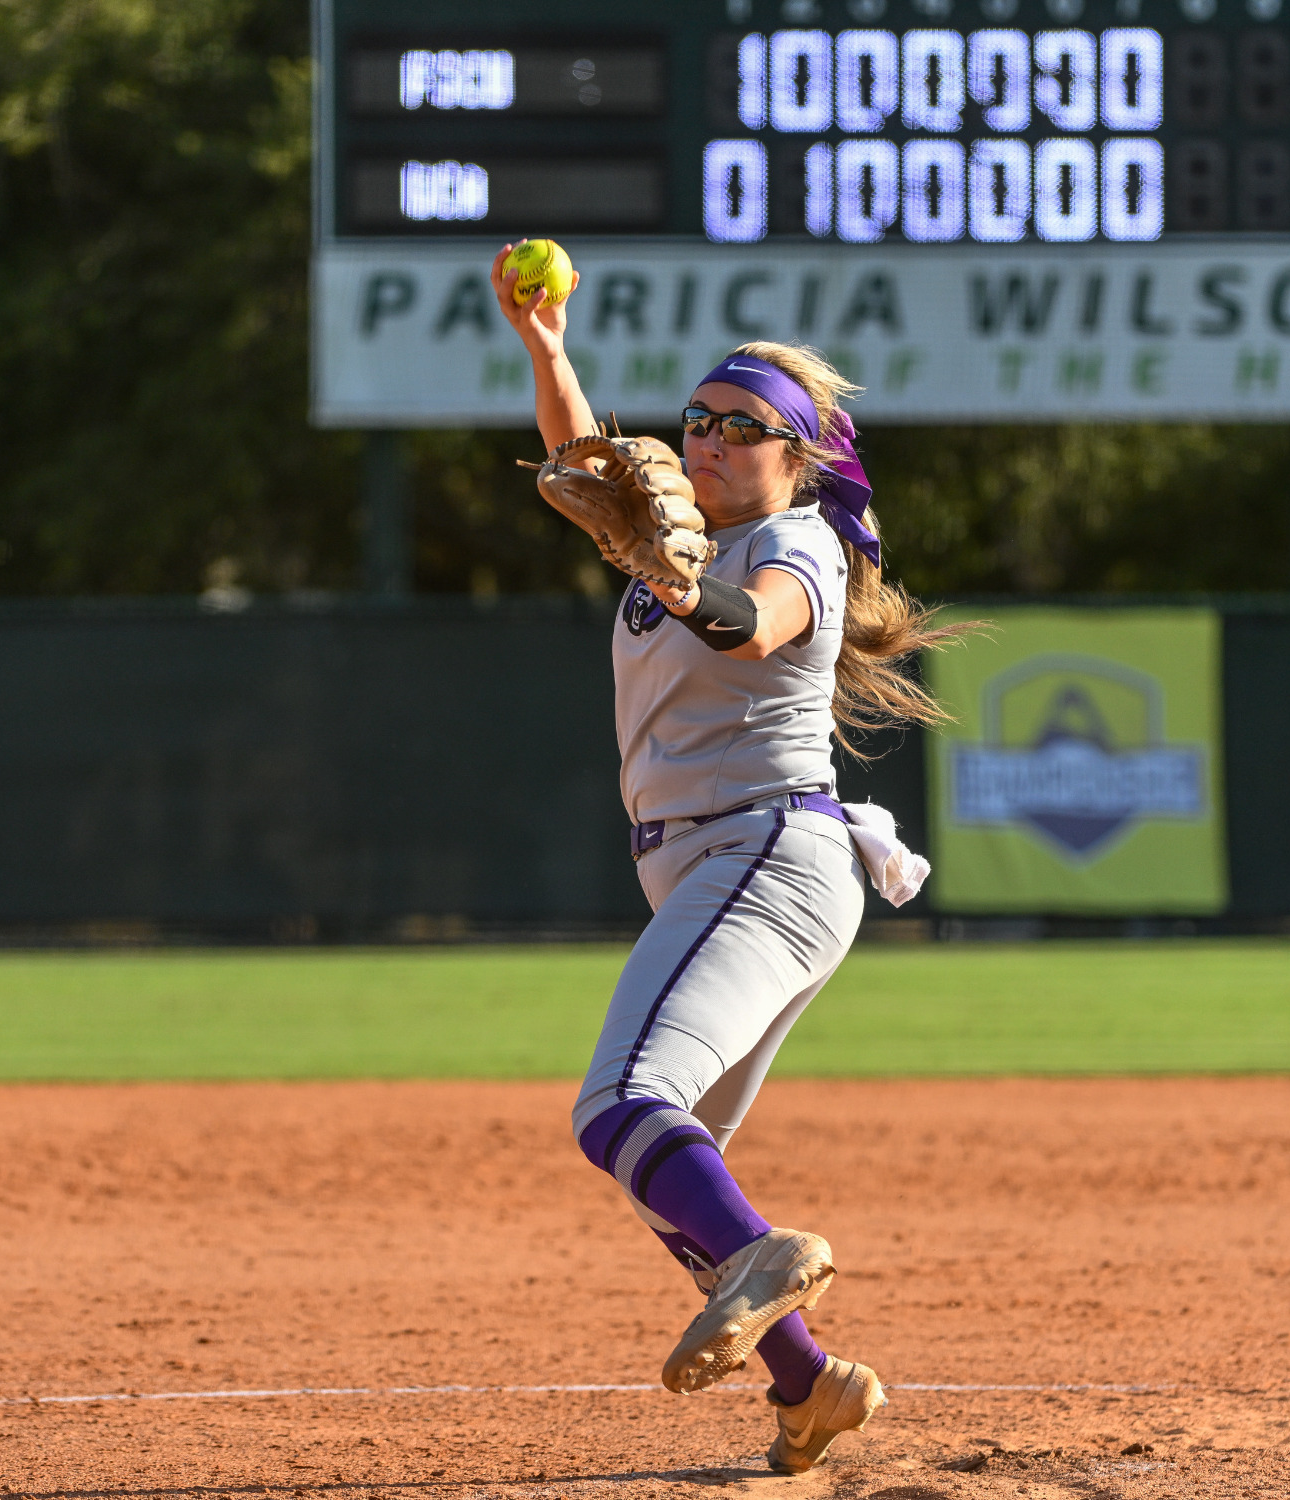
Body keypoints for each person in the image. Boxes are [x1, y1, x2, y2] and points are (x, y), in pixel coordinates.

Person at [490, 244, 962, 1473]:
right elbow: (584, 460)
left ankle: (766, 1268)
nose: (703, 440)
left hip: (761, 854)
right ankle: (810, 1386)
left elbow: (755, 631)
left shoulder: (796, 544)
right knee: (671, 1172)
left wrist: (675, 574)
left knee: (618, 1107)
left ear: (794, 457)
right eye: (696, 418)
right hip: (724, 867)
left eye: (739, 427)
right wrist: (546, 349)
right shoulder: (691, 535)